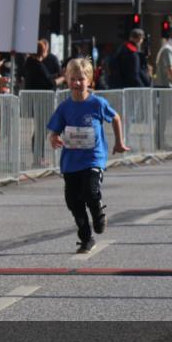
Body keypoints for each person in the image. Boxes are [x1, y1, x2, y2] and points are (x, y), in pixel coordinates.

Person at [48, 58, 130, 254]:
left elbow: (115, 117)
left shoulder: (97, 103)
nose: (77, 83)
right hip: (71, 162)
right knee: (72, 201)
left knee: (90, 191)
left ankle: (98, 212)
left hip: (94, 158)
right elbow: (54, 131)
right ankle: (86, 237)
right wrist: (53, 139)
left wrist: (119, 142)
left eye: (81, 79)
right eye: (73, 79)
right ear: (67, 79)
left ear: (90, 81)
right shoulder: (64, 107)